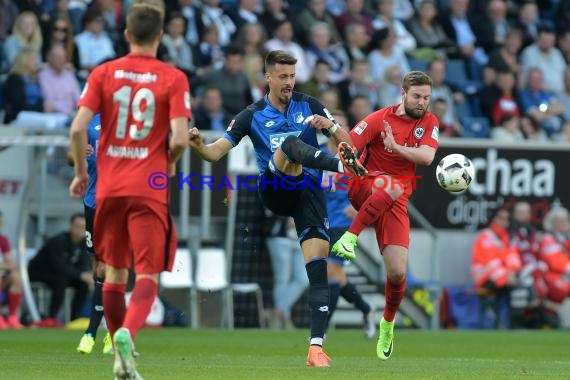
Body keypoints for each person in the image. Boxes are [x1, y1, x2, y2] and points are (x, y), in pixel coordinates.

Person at [188, 50, 366, 367]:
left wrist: (332, 127)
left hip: (307, 192)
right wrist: (200, 145)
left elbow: (348, 141)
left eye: (292, 76)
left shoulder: (310, 104)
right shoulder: (251, 114)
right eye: (282, 77)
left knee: (318, 267)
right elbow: (215, 153)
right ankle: (340, 167)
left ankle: (316, 348)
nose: (288, 82)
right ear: (267, 77)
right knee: (291, 146)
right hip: (275, 188)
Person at [68, 4, 190, 379]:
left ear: (126, 35)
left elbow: (76, 130)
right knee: (148, 277)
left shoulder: (103, 73)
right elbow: (181, 137)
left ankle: (120, 359)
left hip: (108, 190)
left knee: (114, 275)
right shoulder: (173, 77)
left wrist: (79, 174)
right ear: (159, 37)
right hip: (147, 189)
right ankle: (125, 334)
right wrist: (168, 160)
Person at [331, 71, 439, 360]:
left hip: (396, 200)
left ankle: (387, 324)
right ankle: (349, 238)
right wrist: (348, 155)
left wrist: (396, 147)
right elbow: (349, 145)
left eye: (427, 97)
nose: (422, 102)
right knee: (391, 185)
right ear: (403, 94)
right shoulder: (379, 118)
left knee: (397, 271)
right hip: (365, 185)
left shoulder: (429, 122)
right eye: (417, 96)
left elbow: (428, 158)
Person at [321, 110, 376, 339]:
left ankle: (321, 331)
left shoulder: (356, 158)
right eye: (333, 125)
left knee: (332, 272)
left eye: (341, 126)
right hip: (323, 222)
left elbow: (374, 186)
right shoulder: (319, 155)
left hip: (344, 224)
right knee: (337, 276)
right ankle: (367, 309)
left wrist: (359, 207)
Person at [70, 114, 113, 355]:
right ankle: (101, 333)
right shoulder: (89, 123)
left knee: (112, 268)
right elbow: (69, 156)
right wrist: (78, 152)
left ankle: (97, 333)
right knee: (98, 268)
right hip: (93, 203)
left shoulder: (132, 122)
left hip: (118, 204)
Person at [28, 214, 93, 327]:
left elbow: (83, 265)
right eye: (77, 226)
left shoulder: (84, 244)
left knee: (83, 284)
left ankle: (75, 319)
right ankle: (51, 317)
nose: (80, 230)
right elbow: (59, 266)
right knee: (62, 280)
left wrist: (87, 275)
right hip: (39, 272)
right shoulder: (59, 241)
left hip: (62, 274)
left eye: (83, 227)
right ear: (71, 226)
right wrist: (81, 275)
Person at [471, 206, 522, 328]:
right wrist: (505, 279)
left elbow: (513, 257)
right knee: (512, 287)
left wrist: (512, 273)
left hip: (503, 278)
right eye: (500, 218)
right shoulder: (486, 236)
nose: (503, 222)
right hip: (485, 278)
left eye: (506, 219)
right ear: (493, 219)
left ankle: (514, 324)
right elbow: (491, 264)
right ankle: (497, 324)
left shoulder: (508, 237)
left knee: (523, 286)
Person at [264, 213, 308, 329]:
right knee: (282, 279)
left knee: (303, 279)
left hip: (300, 237)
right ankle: (284, 318)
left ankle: (277, 312)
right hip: (279, 237)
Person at [0, 210, 24, 329]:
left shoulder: (2, 240)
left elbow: (12, 264)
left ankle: (12, 316)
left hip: (2, 277)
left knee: (15, 277)